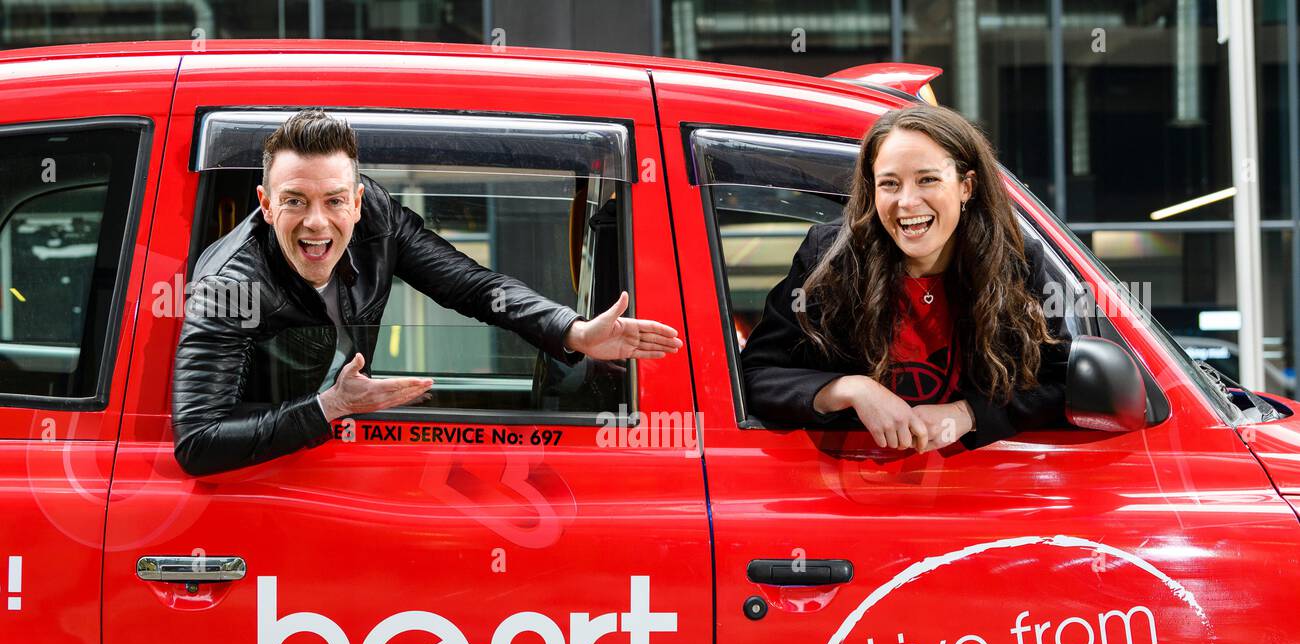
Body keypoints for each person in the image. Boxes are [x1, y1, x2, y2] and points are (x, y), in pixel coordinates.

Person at [172, 108, 681, 476]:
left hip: (337, 454)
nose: (315, 222)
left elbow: (474, 287)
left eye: (333, 201)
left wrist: (571, 331)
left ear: (357, 201)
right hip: (271, 473)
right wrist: (329, 407)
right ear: (264, 203)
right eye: (294, 201)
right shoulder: (230, 286)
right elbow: (199, 442)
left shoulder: (379, 220)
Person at [741, 104, 1070, 452]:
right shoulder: (829, 259)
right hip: (849, 484)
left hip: (980, 485)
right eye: (889, 184)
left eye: (927, 179)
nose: (907, 201)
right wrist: (851, 390)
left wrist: (968, 414)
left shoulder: (1016, 262)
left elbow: (1061, 382)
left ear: (966, 187)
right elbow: (755, 376)